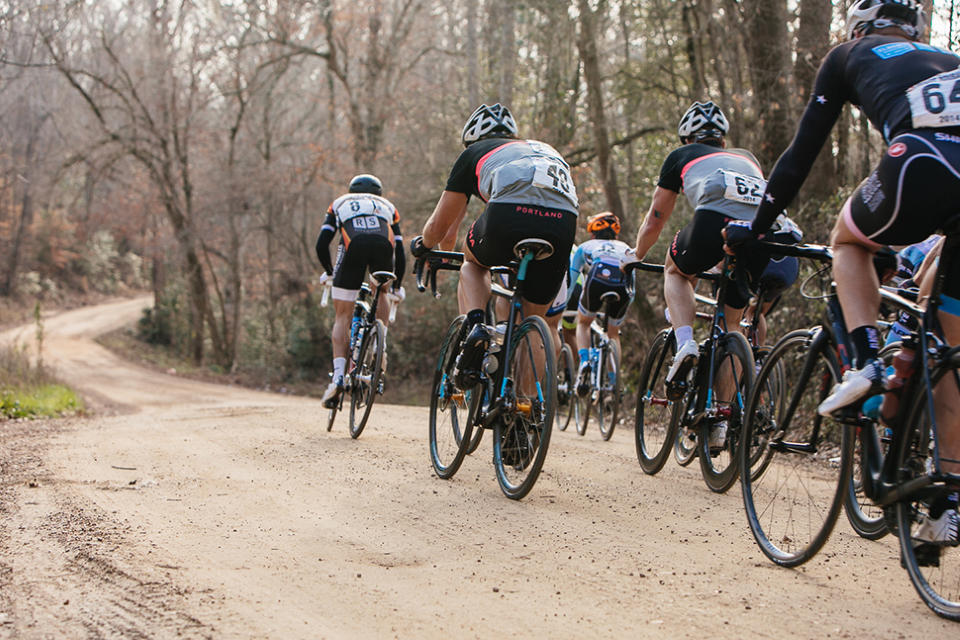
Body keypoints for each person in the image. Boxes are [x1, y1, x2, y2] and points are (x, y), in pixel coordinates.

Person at [723, 0, 958, 544]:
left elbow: (801, 155)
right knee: (949, 351)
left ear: (859, 26)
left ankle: (867, 362)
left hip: (921, 162)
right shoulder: (947, 56)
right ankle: (946, 502)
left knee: (848, 240)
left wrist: (757, 228)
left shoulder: (849, 53)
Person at [622, 101, 770, 447]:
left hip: (712, 225)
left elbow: (656, 218)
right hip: (762, 233)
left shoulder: (681, 156)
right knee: (732, 326)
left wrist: (636, 254)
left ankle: (686, 342)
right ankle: (719, 422)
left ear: (687, 137)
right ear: (722, 139)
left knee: (675, 271)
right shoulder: (748, 157)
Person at [411, 103, 578, 387]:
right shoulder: (544, 148)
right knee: (533, 324)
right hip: (563, 223)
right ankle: (525, 414)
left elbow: (441, 226)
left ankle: (476, 327)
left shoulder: (473, 154)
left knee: (473, 263)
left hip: (510, 214)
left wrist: (424, 246)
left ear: (472, 140)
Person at [316, 174, 405, 409]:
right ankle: (380, 342)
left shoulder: (339, 203)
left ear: (351, 189)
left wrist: (328, 271)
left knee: (342, 317)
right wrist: (396, 286)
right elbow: (400, 250)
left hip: (352, 246)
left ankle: (337, 378)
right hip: (383, 247)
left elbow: (321, 243)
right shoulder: (388, 206)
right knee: (382, 291)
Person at [569, 213, 634, 395]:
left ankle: (584, 362)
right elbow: (632, 281)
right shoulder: (626, 247)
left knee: (583, 323)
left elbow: (572, 281)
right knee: (613, 333)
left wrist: (563, 304)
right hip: (622, 282)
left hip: (597, 277)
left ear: (592, 234)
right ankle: (614, 380)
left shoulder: (585, 246)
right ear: (616, 235)